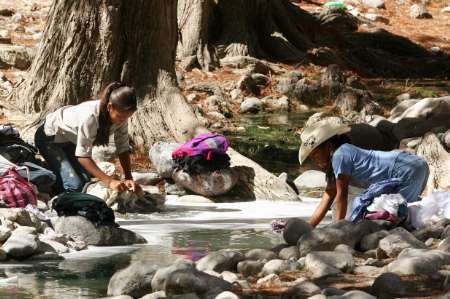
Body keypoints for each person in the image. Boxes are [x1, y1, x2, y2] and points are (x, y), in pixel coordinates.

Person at [298, 120, 429, 227]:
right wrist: (309, 226)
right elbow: (327, 197)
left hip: (405, 169)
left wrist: (337, 228)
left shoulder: (340, 155)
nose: (314, 159)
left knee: (402, 217)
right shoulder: (341, 154)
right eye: (311, 157)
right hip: (414, 164)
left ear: (328, 147)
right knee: (404, 213)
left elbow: (341, 196)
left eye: (315, 154)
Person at [34, 82, 140, 194]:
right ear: (110, 107)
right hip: (49, 139)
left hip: (70, 141)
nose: (122, 120)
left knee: (85, 180)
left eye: (127, 117)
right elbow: (83, 157)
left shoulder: (121, 117)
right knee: (75, 186)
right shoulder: (90, 117)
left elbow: (122, 148)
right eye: (120, 117)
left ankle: (57, 169)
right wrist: (109, 182)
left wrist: (128, 177)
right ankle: (47, 174)